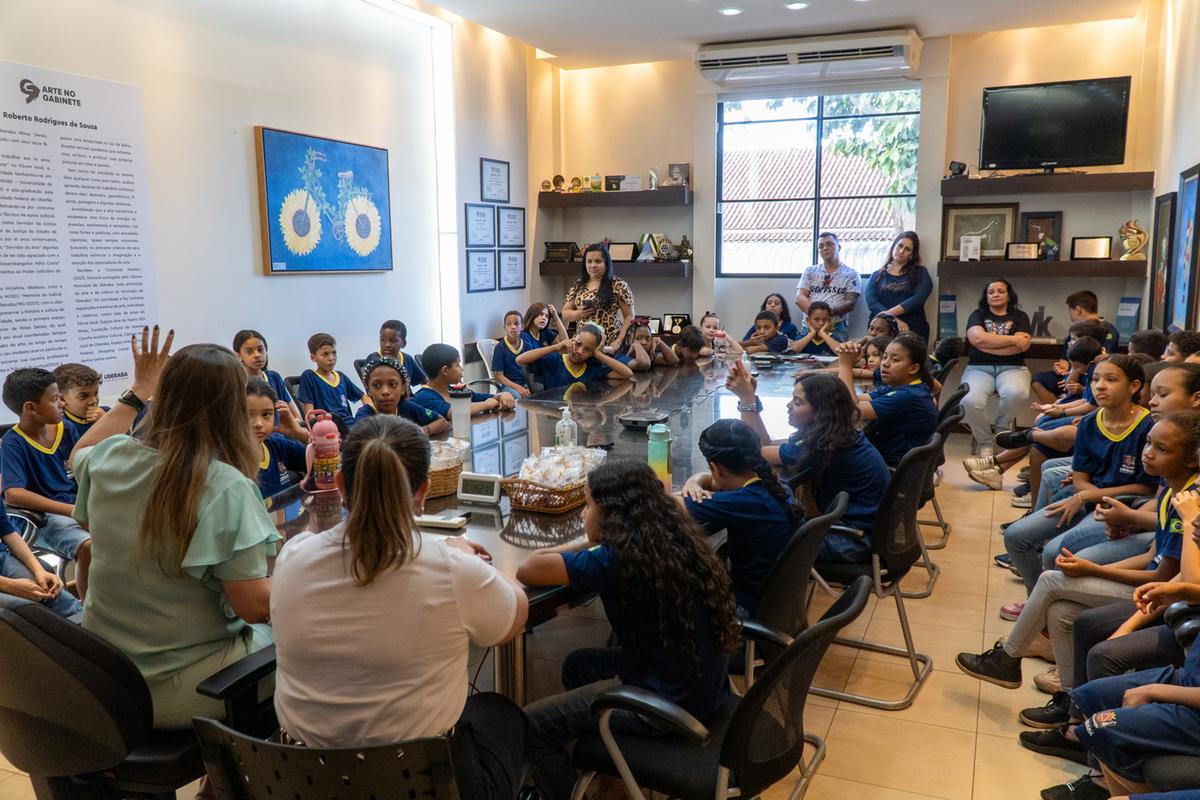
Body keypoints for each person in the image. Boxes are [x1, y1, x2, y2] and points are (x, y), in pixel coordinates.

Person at [271, 416, 528, 800]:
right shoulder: (452, 570)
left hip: (303, 779)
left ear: (341, 485)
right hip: (417, 782)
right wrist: (473, 561)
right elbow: (514, 619)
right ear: (423, 491)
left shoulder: (293, 557)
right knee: (502, 715)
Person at [72, 328, 278, 729]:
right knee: (314, 645)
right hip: (187, 687)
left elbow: (80, 451)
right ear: (233, 408)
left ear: (164, 398)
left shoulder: (111, 456)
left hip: (110, 675)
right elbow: (253, 606)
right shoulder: (225, 486)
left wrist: (137, 391)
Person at [518, 460, 741, 800]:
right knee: (578, 664)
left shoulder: (615, 559)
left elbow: (530, 568)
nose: (583, 514)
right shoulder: (674, 541)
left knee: (532, 726)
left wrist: (586, 542)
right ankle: (611, 773)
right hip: (702, 689)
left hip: (666, 706)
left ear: (611, 514)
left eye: (588, 505)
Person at [956, 412, 1197, 706]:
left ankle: (1007, 658)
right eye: (1148, 443)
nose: (1147, 454)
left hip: (1156, 599)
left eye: (1162, 449)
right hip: (1152, 586)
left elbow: (1162, 578)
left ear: (1191, 460)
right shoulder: (1172, 491)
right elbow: (1151, 556)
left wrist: (1094, 569)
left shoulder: (1188, 505)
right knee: (1061, 611)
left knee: (1050, 580)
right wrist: (1092, 570)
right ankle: (1071, 700)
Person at [1000, 356, 1156, 603]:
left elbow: (1146, 487)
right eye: (1095, 379)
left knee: (1055, 551)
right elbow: (1081, 477)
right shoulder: (1089, 422)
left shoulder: (1148, 427)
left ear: (1134, 386)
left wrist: (1086, 496)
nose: (1100, 386)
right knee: (1016, 536)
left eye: (1111, 380)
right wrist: (1084, 495)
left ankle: (1043, 608)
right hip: (1088, 498)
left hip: (1120, 507)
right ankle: (1037, 602)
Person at [725, 361, 890, 563]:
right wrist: (751, 401)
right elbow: (766, 445)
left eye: (797, 402)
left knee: (755, 536)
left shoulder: (820, 447)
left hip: (856, 541)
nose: (788, 406)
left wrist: (746, 400)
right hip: (861, 532)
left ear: (821, 412)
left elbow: (755, 453)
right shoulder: (833, 434)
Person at [680, 419, 799, 614]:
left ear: (715, 467)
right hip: (775, 601)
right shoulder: (773, 484)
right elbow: (710, 480)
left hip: (746, 605)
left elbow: (667, 504)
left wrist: (691, 486)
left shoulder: (744, 501)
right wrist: (694, 482)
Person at [1, 368, 91, 598]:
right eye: (54, 399)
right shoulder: (13, 443)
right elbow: (14, 494)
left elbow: (82, 471)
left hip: (75, 508)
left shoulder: (66, 429)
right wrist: (74, 511)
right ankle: (91, 609)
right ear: (31, 408)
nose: (62, 403)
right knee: (89, 547)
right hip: (42, 518)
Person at [835, 332, 939, 467]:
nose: (885, 364)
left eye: (895, 360)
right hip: (884, 457)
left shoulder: (907, 396)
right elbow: (856, 399)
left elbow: (851, 409)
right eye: (884, 357)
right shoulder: (901, 387)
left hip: (888, 466)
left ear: (914, 368)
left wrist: (845, 365)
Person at [960, 279, 1033, 454]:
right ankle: (984, 442)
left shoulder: (1020, 316)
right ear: (986, 297)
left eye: (1001, 291)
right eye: (991, 292)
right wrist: (1013, 339)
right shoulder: (977, 315)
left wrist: (987, 343)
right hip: (978, 368)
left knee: (1019, 393)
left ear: (1009, 295)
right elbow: (976, 339)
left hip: (1013, 367)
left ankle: (1001, 429)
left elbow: (1022, 345)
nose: (995, 294)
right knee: (968, 400)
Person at [1030, 292, 1120, 404]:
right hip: (1072, 371)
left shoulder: (1107, 330)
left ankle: (1063, 410)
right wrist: (1061, 369)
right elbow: (1064, 361)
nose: (1070, 315)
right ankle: (1057, 409)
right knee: (1038, 379)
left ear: (1077, 309)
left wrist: (1077, 370)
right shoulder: (1074, 330)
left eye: (1070, 310)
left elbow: (1103, 358)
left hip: (1090, 372)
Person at [0, 494, 80, 617]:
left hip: (2, 558)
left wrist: (39, 571)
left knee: (48, 591)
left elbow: (7, 532)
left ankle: (84, 628)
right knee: (24, 610)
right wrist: (9, 585)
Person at [516, 323, 635, 390]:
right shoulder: (554, 360)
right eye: (578, 343)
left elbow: (628, 373)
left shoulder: (592, 368)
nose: (579, 351)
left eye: (588, 349)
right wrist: (555, 347)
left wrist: (599, 355)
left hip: (578, 413)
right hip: (554, 414)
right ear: (573, 337)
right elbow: (520, 360)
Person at [863, 230, 933, 341]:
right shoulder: (876, 275)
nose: (901, 251)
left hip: (911, 329)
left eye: (907, 249)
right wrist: (893, 319)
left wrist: (889, 315)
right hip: (880, 331)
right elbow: (872, 303)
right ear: (893, 246)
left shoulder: (921, 272)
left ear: (912, 255)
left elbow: (918, 299)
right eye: (900, 246)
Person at [561, 244, 635, 350]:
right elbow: (565, 314)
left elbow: (629, 316)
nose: (593, 265)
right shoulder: (578, 285)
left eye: (598, 261)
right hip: (582, 345)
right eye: (589, 261)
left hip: (609, 344)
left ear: (606, 264)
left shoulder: (618, 284)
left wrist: (619, 340)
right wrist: (579, 313)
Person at [413, 344, 516, 418]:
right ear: (445, 370)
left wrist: (503, 394)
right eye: (458, 365)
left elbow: (480, 397)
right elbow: (454, 411)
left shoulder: (454, 390)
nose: (462, 369)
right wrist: (487, 405)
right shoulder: (424, 397)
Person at [247, 379, 309, 498]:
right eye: (249, 414)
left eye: (266, 414)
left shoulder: (276, 445)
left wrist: (301, 434)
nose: (259, 423)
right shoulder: (228, 460)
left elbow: (327, 464)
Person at [355, 355, 449, 435]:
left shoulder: (406, 407)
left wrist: (423, 431)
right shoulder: (364, 416)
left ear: (403, 388)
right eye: (376, 385)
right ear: (368, 390)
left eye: (392, 385)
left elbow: (442, 421)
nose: (385, 392)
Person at [232, 329, 303, 430]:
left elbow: (297, 417)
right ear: (239, 355)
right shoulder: (238, 383)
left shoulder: (274, 377)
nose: (257, 355)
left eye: (260, 350)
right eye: (249, 352)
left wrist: (293, 422)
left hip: (284, 436)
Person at [794, 231, 861, 335]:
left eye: (829, 244)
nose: (825, 248)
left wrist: (826, 314)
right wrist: (816, 316)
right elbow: (800, 298)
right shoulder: (810, 271)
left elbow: (850, 303)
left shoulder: (852, 274)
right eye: (821, 246)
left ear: (838, 247)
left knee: (838, 351)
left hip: (836, 327)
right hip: (809, 327)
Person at [298, 332, 365, 430]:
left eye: (334, 353)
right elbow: (310, 414)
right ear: (313, 357)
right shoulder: (309, 376)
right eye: (325, 354)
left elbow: (364, 397)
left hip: (351, 425)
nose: (331, 358)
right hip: (330, 427)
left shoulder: (341, 376)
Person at [365, 319, 428, 386]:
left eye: (393, 341)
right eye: (383, 340)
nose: (387, 345)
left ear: (403, 343)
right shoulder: (373, 359)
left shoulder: (407, 358)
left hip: (408, 396)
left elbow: (424, 380)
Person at [52, 363, 107, 438]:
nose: (94, 400)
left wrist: (107, 422)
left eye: (95, 393)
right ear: (62, 399)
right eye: (84, 396)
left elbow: (125, 443)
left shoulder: (107, 413)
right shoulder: (60, 427)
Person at [492, 310, 534, 397]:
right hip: (508, 386)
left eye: (516, 324)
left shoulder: (527, 346)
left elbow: (532, 370)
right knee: (517, 397)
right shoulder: (500, 348)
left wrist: (530, 387)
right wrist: (518, 387)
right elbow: (499, 376)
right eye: (509, 324)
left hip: (525, 385)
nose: (513, 327)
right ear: (504, 327)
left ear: (522, 327)